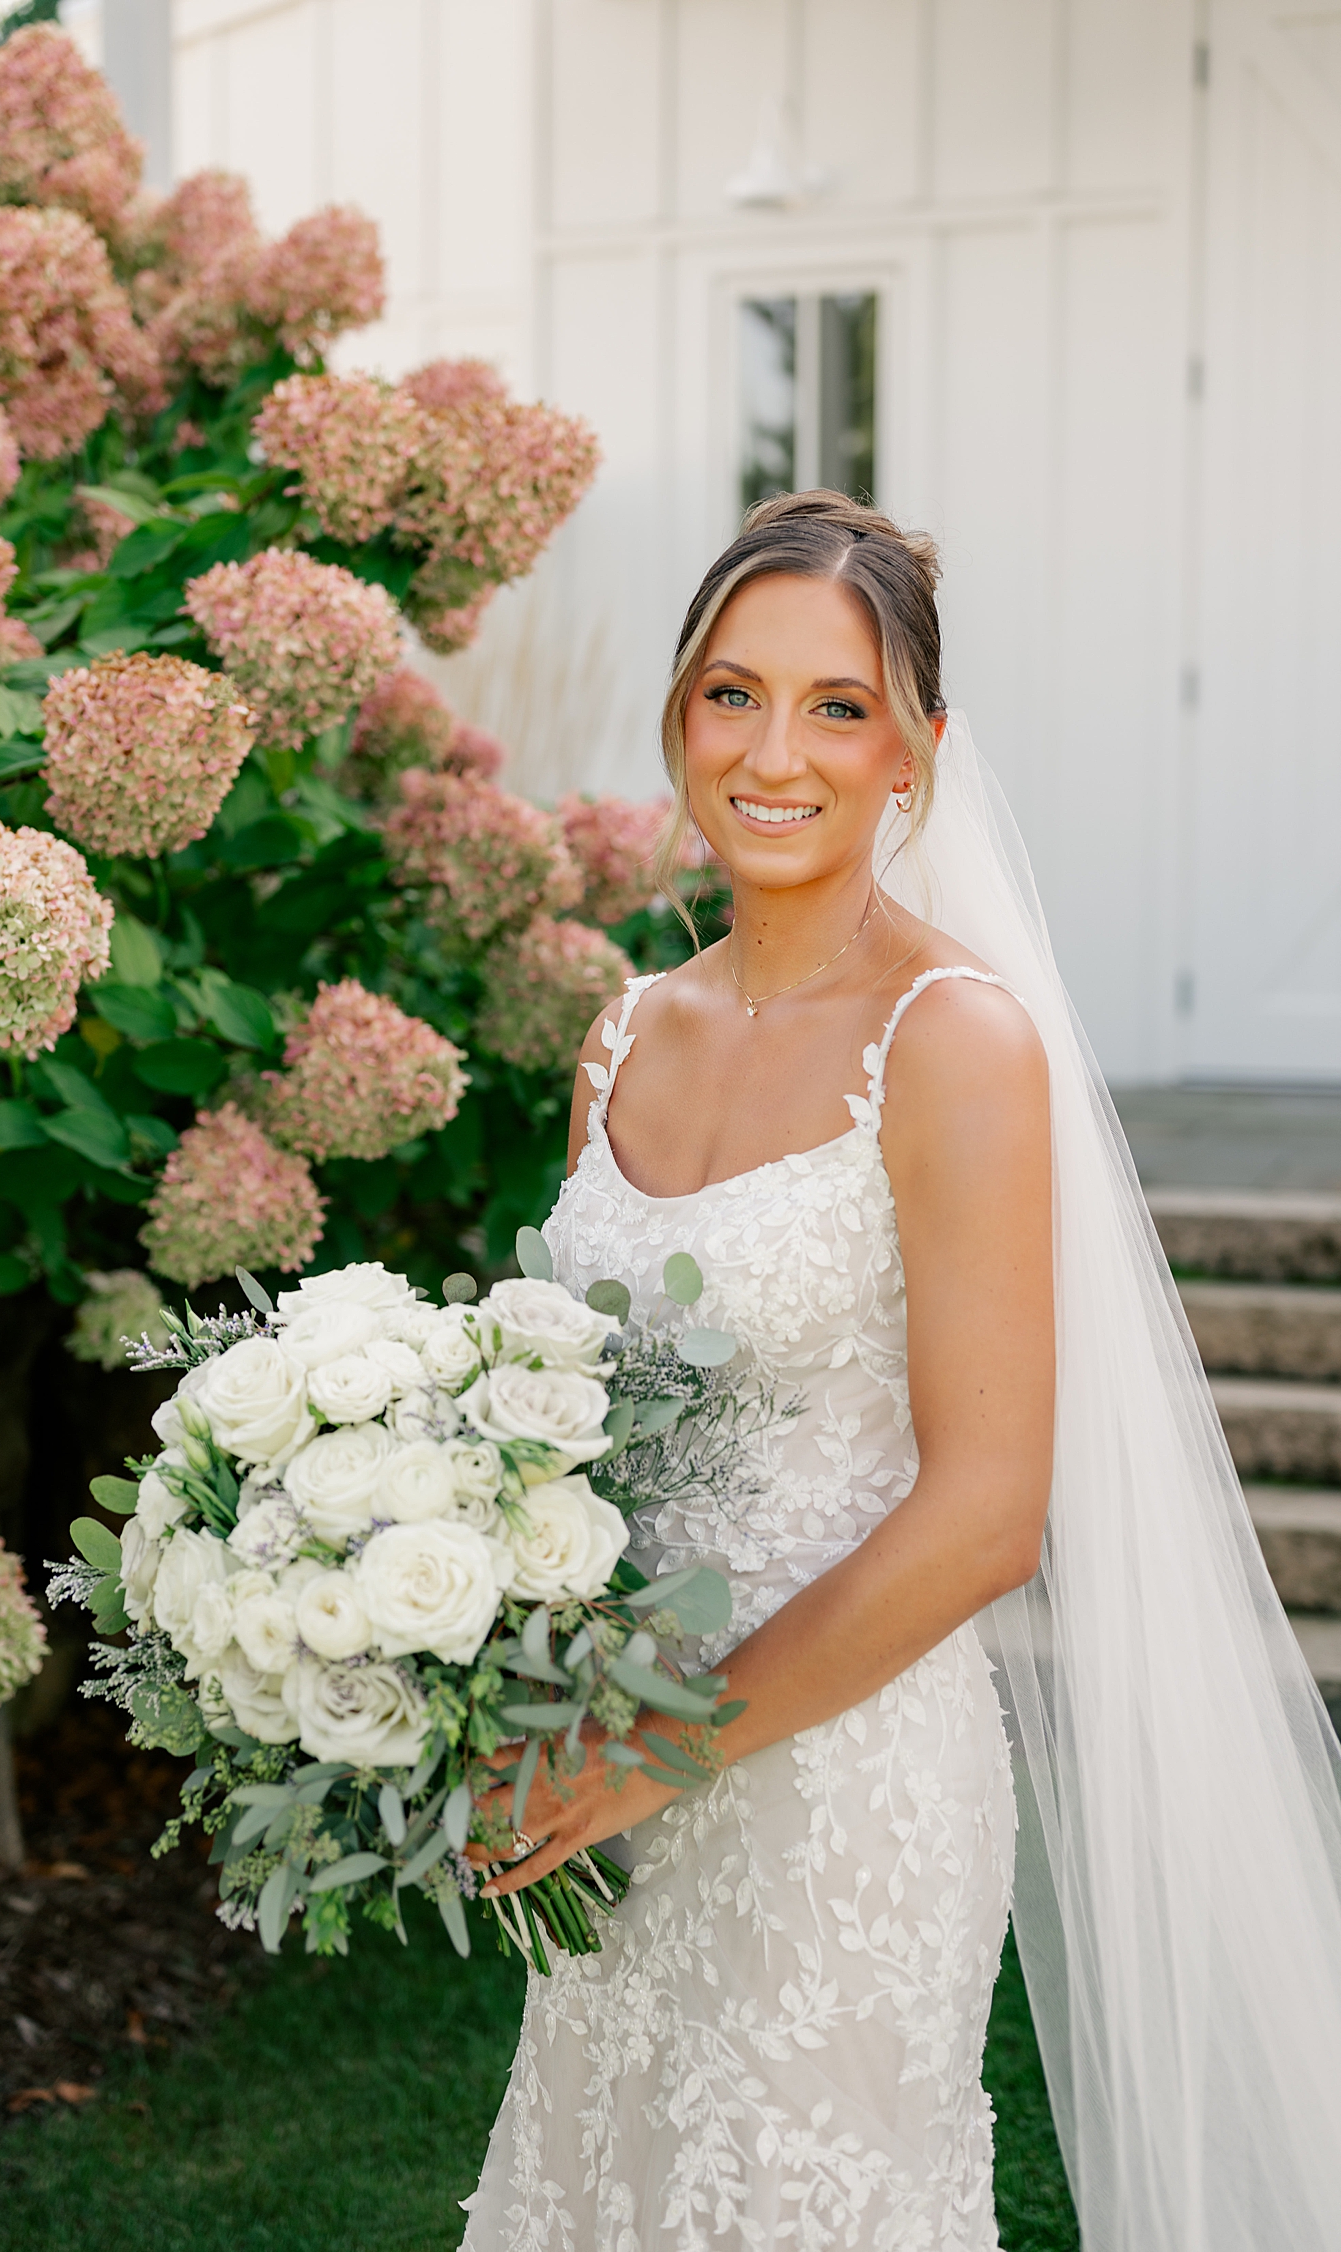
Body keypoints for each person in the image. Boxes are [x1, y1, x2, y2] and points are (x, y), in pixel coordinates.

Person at [461, 491, 1341, 2252]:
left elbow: (989, 1513)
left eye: (837, 706)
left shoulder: (957, 1042)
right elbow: (567, 1433)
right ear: (678, 720)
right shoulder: (625, 1030)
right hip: (612, 1776)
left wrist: (654, 1748)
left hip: (842, 1800)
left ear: (916, 755)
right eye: (732, 694)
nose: (774, 752)